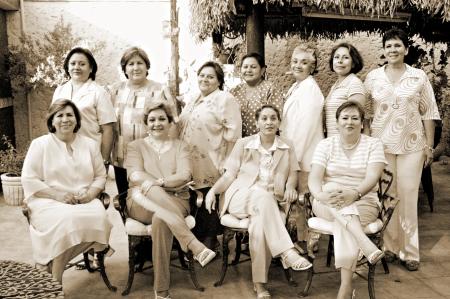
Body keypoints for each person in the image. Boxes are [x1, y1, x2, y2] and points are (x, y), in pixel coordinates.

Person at [205, 105, 312, 299]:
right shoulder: (243, 144)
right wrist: (213, 190)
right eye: (264, 118)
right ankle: (287, 250)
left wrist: (289, 186)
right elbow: (229, 176)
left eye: (273, 118)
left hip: (271, 202)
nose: (269, 122)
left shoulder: (287, 146)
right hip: (240, 197)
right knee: (263, 197)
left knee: (260, 225)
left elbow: (293, 173)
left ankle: (259, 284)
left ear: (279, 122)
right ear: (257, 122)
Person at [364, 28, 441, 271]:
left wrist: (429, 145)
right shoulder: (373, 77)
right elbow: (366, 113)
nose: (393, 50)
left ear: (406, 49)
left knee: (407, 195)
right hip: (381, 146)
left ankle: (409, 252)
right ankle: (389, 248)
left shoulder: (418, 77)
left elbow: (429, 112)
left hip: (412, 146)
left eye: (397, 45)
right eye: (388, 46)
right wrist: (366, 143)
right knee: (387, 196)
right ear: (383, 51)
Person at [124, 101, 215, 299]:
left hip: (175, 203)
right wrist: (163, 185)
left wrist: (158, 182)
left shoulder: (181, 146)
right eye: (152, 119)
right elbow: (135, 176)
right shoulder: (135, 146)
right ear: (146, 123)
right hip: (141, 203)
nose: (157, 123)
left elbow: (184, 175)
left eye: (162, 119)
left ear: (170, 122)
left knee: (161, 219)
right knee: (151, 193)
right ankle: (193, 244)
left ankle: (161, 291)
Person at [21, 99, 112, 283]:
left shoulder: (90, 144)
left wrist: (90, 194)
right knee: (68, 222)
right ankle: (56, 278)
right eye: (59, 115)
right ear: (52, 121)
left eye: (70, 115)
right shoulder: (40, 144)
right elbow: (28, 179)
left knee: (100, 219)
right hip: (47, 199)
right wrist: (58, 195)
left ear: (77, 120)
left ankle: (51, 270)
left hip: (84, 199)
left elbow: (101, 176)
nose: (65, 119)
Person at [308, 101, 386, 299]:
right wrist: (320, 195)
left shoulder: (373, 144)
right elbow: (314, 178)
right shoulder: (326, 145)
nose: (349, 122)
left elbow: (372, 177)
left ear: (362, 123)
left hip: (364, 202)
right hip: (327, 202)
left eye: (354, 118)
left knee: (346, 224)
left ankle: (345, 287)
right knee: (333, 188)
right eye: (345, 118)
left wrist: (355, 193)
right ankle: (364, 243)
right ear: (337, 122)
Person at [179, 61, 242, 250]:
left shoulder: (225, 99)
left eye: (210, 76)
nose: (205, 79)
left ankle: (211, 237)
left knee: (209, 193)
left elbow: (234, 132)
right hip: (190, 156)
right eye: (202, 75)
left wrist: (228, 160)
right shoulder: (194, 98)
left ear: (219, 81)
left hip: (214, 156)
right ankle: (195, 236)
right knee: (192, 195)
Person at [106, 47, 178, 197]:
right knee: (125, 201)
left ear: (147, 66)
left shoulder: (159, 90)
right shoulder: (114, 91)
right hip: (121, 158)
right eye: (130, 64)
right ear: (125, 68)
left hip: (152, 158)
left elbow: (173, 125)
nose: (135, 67)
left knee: (151, 202)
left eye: (140, 63)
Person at [280, 44, 324, 244]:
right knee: (296, 202)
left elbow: (304, 129)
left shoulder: (311, 90)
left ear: (312, 67)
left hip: (304, 156)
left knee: (304, 202)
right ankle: (297, 242)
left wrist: (292, 160)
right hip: (294, 153)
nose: (298, 65)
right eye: (295, 61)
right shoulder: (297, 86)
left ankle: (307, 246)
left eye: (304, 62)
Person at [52, 47, 116, 166]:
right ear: (67, 67)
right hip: (62, 154)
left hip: (90, 155)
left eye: (82, 64)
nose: (76, 67)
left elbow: (108, 129)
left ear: (91, 68)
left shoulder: (99, 92)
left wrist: (104, 161)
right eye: (73, 63)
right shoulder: (60, 90)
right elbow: (53, 123)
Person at [230, 52, 284, 137]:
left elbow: (276, 118)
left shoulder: (270, 89)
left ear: (262, 70)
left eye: (253, 67)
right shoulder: (234, 91)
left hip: (264, 142)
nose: (248, 70)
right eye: (245, 67)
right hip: (239, 143)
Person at [325, 43, 366, 137]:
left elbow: (354, 122)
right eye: (336, 57)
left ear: (353, 63)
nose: (340, 61)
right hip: (333, 141)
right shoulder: (336, 85)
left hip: (346, 143)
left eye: (345, 57)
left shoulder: (354, 84)